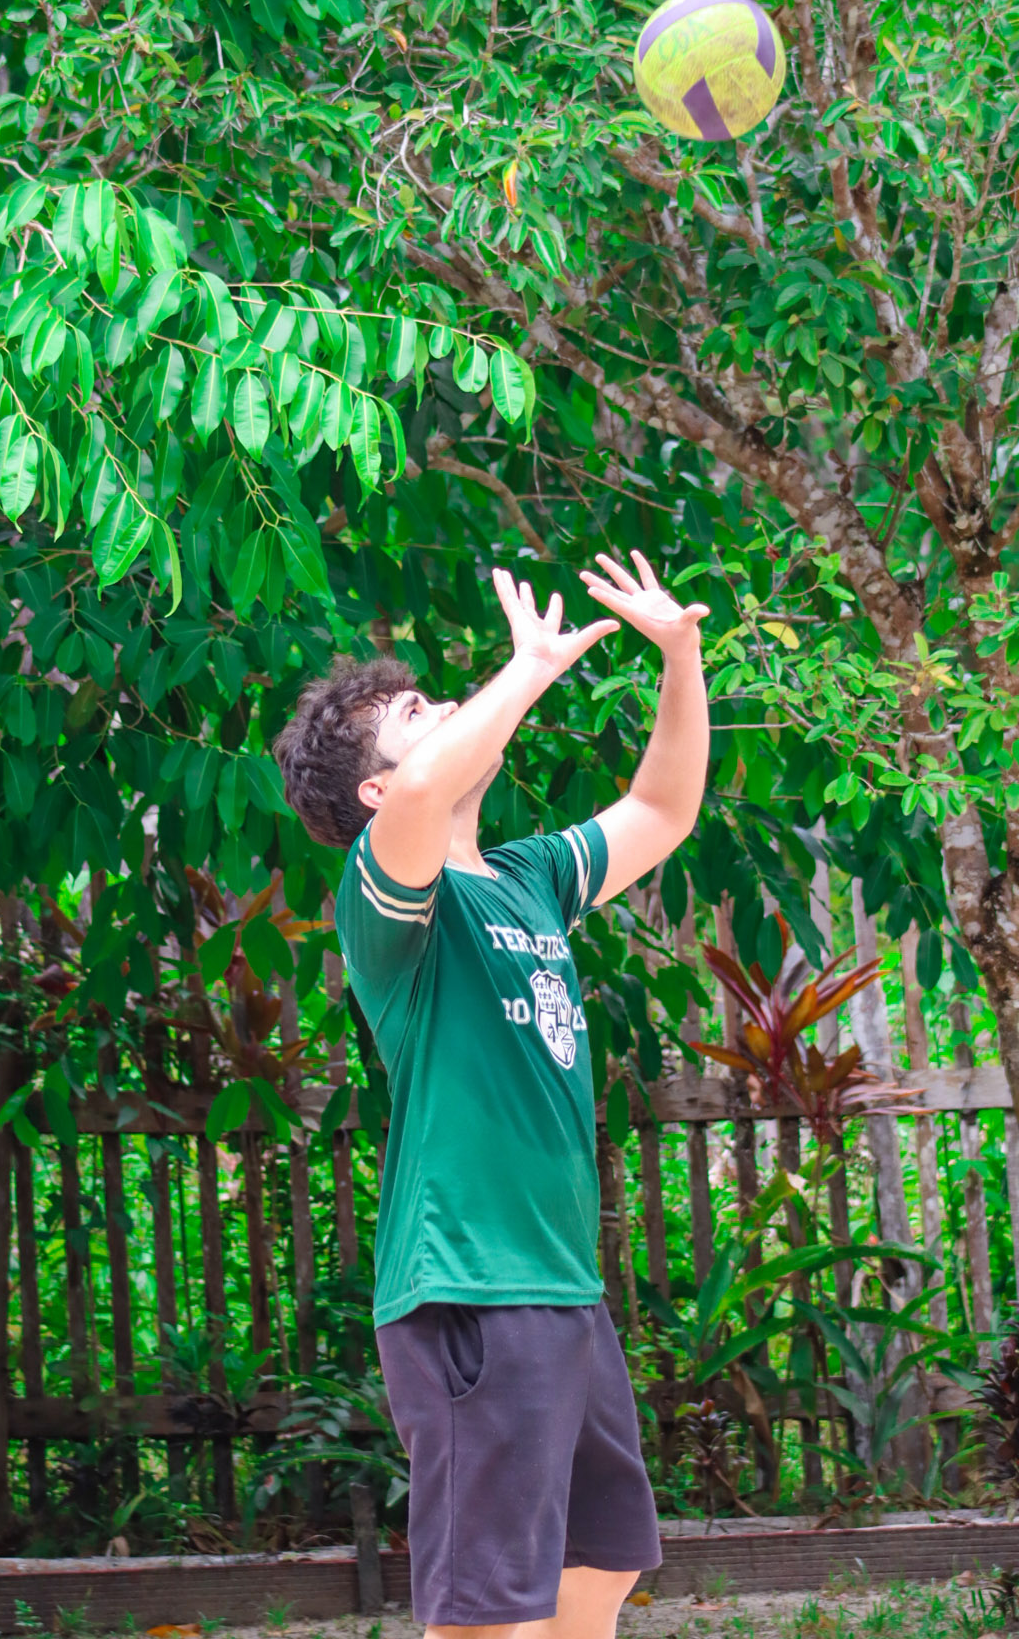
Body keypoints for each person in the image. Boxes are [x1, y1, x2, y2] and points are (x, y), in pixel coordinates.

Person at [275, 553, 709, 1639]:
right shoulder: (388, 896)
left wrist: (680, 656)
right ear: (374, 793)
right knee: (483, 1611)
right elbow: (427, 792)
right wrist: (529, 668)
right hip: (467, 1284)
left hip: (562, 1285)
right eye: (417, 715)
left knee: (600, 1565)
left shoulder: (528, 878)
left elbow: (660, 807)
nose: (449, 713)